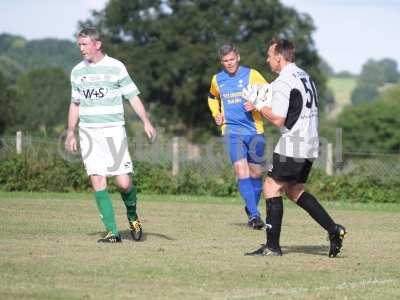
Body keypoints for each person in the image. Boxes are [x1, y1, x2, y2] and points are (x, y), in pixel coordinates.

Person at [244, 39, 346, 256]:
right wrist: (261, 97)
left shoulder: (284, 80)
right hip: (309, 143)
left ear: (279, 57)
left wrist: (260, 106)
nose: (267, 59)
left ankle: (272, 247)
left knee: (271, 187)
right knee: (293, 190)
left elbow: (279, 119)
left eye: (270, 55)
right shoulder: (304, 75)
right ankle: (334, 229)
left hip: (293, 143)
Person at [65, 27, 156, 243]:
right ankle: (112, 232)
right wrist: (70, 132)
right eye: (79, 44)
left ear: (97, 44)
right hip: (88, 132)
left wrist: (146, 121)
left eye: (85, 44)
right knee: (97, 178)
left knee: (124, 183)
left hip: (113, 131)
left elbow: (132, 96)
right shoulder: (77, 71)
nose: (81, 48)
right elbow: (75, 103)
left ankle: (132, 215)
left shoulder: (116, 67)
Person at [207, 44, 268, 229]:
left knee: (256, 173)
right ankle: (255, 216)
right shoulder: (217, 79)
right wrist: (216, 113)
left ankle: (250, 208)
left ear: (238, 57)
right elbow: (212, 97)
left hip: (254, 131)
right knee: (242, 171)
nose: (229, 63)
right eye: (225, 61)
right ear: (221, 62)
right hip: (232, 131)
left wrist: (256, 103)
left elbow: (270, 93)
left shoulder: (252, 75)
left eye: (232, 59)